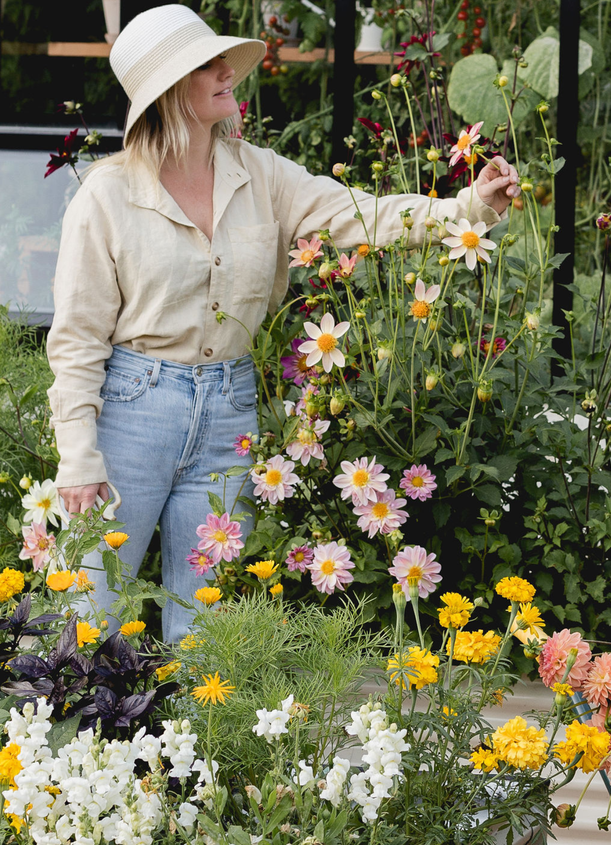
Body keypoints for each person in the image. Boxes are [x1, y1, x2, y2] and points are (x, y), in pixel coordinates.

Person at [47, 4, 519, 642]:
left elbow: (363, 214)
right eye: (206, 65)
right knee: (87, 621)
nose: (227, 72)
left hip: (230, 414)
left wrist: (470, 206)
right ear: (168, 90)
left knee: (208, 634)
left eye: (222, 60)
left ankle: (194, 710)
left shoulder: (262, 175)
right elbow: (77, 339)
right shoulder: (105, 197)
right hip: (131, 414)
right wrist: (78, 456)